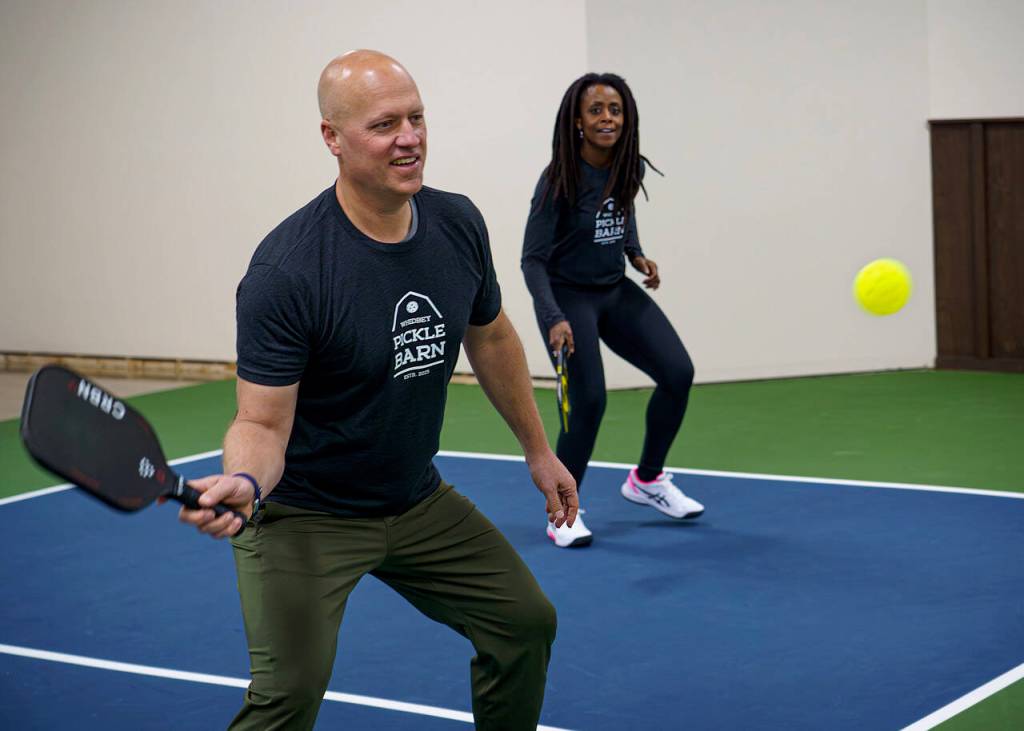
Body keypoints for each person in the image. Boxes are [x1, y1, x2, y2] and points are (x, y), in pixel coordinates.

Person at [176, 50, 578, 730]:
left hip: (414, 500)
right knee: (288, 696)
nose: (411, 137)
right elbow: (264, 423)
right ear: (333, 138)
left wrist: (538, 451)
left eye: (417, 118)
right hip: (304, 513)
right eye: (386, 123)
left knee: (524, 623)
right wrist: (244, 480)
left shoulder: (456, 223)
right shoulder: (289, 270)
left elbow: (492, 336)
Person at [521, 72, 704, 549]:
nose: (607, 118)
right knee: (591, 401)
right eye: (596, 110)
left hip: (613, 290)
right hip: (567, 299)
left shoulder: (628, 167)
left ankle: (645, 481)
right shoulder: (558, 180)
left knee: (678, 372)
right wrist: (552, 317)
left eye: (615, 110)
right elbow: (532, 259)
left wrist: (636, 254)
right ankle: (562, 513)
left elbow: (622, 217)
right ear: (577, 120)